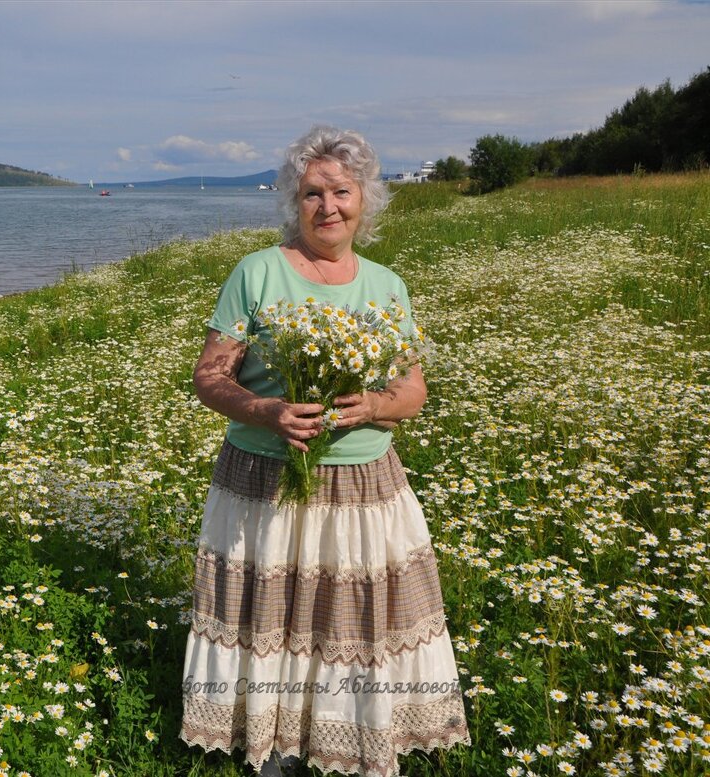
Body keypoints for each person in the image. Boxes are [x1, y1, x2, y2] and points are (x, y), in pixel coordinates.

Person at [179, 126, 470, 776]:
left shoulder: (387, 286)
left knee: (349, 621)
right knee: (272, 615)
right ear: (294, 201)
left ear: (365, 199)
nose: (328, 206)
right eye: (313, 193)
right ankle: (272, 744)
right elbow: (210, 376)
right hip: (266, 477)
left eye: (341, 191)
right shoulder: (257, 273)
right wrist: (269, 411)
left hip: (365, 482)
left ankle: (349, 737)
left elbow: (413, 389)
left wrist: (372, 404)